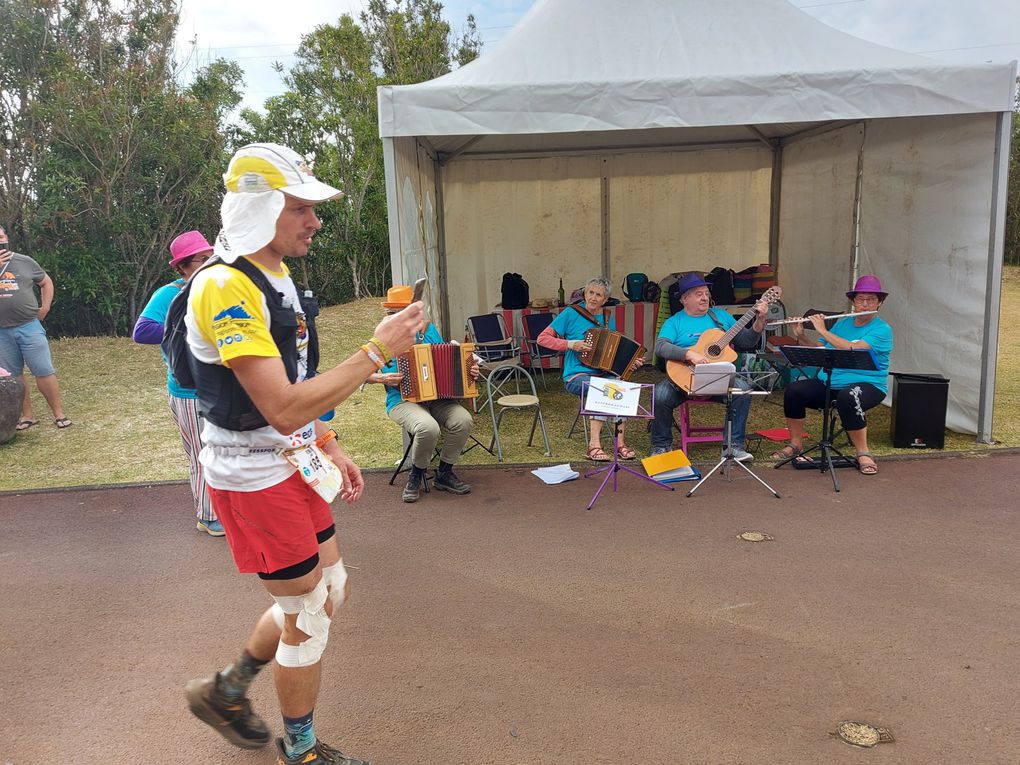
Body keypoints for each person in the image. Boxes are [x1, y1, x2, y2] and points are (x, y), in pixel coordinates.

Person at [182, 143, 423, 765]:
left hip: (290, 459)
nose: (314, 220)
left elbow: (295, 388)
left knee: (328, 591)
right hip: (253, 474)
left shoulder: (276, 276)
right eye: (300, 207)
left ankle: (226, 690)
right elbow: (280, 406)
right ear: (260, 209)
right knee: (309, 613)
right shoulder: (223, 287)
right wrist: (377, 350)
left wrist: (327, 440)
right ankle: (303, 749)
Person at [132, 230, 223, 536]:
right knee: (202, 453)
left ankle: (227, 510)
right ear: (183, 266)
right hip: (187, 390)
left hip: (220, 386)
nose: (210, 262)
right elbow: (142, 331)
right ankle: (208, 516)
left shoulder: (215, 288)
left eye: (211, 256)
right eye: (202, 258)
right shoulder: (169, 294)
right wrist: (185, 330)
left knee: (223, 450)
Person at [366, 284, 480, 503]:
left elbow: (449, 360)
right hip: (400, 399)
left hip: (437, 398)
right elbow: (362, 374)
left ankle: (444, 472)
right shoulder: (382, 337)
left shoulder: (428, 331)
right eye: (391, 313)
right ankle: (416, 475)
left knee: (463, 420)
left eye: (400, 312)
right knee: (427, 427)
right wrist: (380, 377)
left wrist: (469, 369)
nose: (394, 317)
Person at [770, 275, 893, 476]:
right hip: (831, 381)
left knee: (848, 396)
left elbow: (853, 348)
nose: (865, 304)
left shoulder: (882, 329)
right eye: (860, 299)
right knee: (794, 391)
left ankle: (863, 452)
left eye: (871, 299)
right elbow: (822, 349)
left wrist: (821, 328)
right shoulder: (844, 324)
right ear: (853, 302)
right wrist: (800, 335)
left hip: (869, 384)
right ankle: (796, 444)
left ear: (879, 303)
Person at [650, 272, 768, 460]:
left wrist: (759, 322)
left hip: (719, 380)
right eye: (698, 294)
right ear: (684, 299)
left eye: (706, 293)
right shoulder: (674, 322)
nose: (705, 297)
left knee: (743, 390)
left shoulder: (720, 317)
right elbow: (660, 347)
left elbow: (746, 341)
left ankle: (733, 447)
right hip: (684, 380)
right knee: (660, 394)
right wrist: (689, 354)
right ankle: (661, 446)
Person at [536, 277, 643, 461]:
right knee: (600, 388)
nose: (593, 297)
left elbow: (613, 354)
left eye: (598, 294)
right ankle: (593, 445)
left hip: (603, 374)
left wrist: (629, 363)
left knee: (620, 386)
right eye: (590, 293)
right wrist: (571, 344)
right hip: (575, 376)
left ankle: (620, 444)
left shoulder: (608, 319)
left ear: (605, 299)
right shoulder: (570, 313)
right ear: (585, 294)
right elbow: (542, 339)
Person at [0, 225, 72, 431]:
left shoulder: (24, 261)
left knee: (43, 371)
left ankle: (59, 415)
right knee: (13, 376)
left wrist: (45, 307)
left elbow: (45, 282)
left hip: (28, 326)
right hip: (1, 331)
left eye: (0, 237)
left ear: (6, 238)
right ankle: (27, 416)